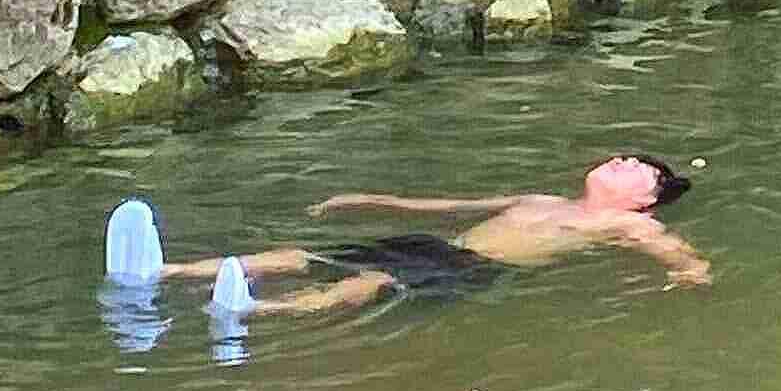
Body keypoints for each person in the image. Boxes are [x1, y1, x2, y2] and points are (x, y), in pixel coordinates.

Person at [145, 154, 709, 315]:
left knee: (368, 282)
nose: (621, 160)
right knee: (303, 255)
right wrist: (368, 200)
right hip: (441, 248)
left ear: (646, 198)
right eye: (622, 156)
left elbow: (678, 255)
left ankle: (255, 311)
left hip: (477, 270)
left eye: (637, 167)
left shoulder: (628, 223)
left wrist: (687, 276)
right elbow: (447, 206)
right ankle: (169, 271)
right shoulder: (541, 200)